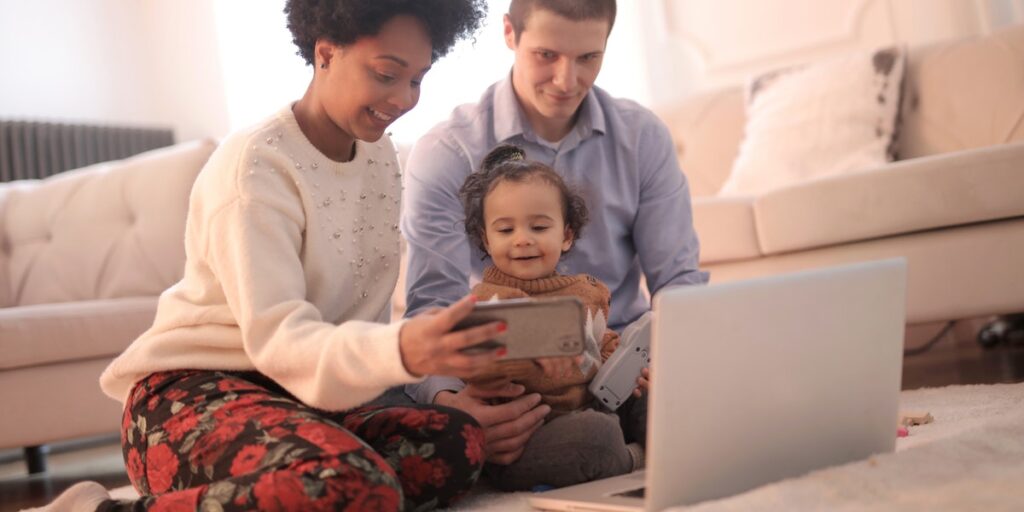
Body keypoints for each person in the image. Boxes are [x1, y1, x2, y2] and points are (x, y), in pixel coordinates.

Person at [30, 1, 528, 511]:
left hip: (305, 402)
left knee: (458, 442)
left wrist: (439, 386)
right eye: (386, 74)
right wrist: (400, 350)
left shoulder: (378, 156)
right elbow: (280, 341)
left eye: (418, 79)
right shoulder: (257, 166)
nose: (403, 98)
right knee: (352, 486)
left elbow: (354, 332)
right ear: (326, 52)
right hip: (192, 400)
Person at [401, 0, 708, 467]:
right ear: (510, 34)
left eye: (589, 58)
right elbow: (431, 311)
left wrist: (667, 361)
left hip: (625, 366)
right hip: (513, 381)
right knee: (595, 442)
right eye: (547, 55)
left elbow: (679, 283)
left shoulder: (643, 137)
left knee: (719, 408)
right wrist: (451, 405)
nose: (567, 82)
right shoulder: (447, 152)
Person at [456, 144, 645, 490]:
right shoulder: (486, 302)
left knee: (652, 397)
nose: (523, 240)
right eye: (506, 230)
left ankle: (671, 447)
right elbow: (473, 367)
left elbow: (605, 343)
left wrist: (629, 373)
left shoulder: (588, 292)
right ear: (486, 239)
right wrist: (526, 348)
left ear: (567, 235)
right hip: (532, 439)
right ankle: (635, 459)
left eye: (539, 228)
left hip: (597, 403)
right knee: (597, 438)